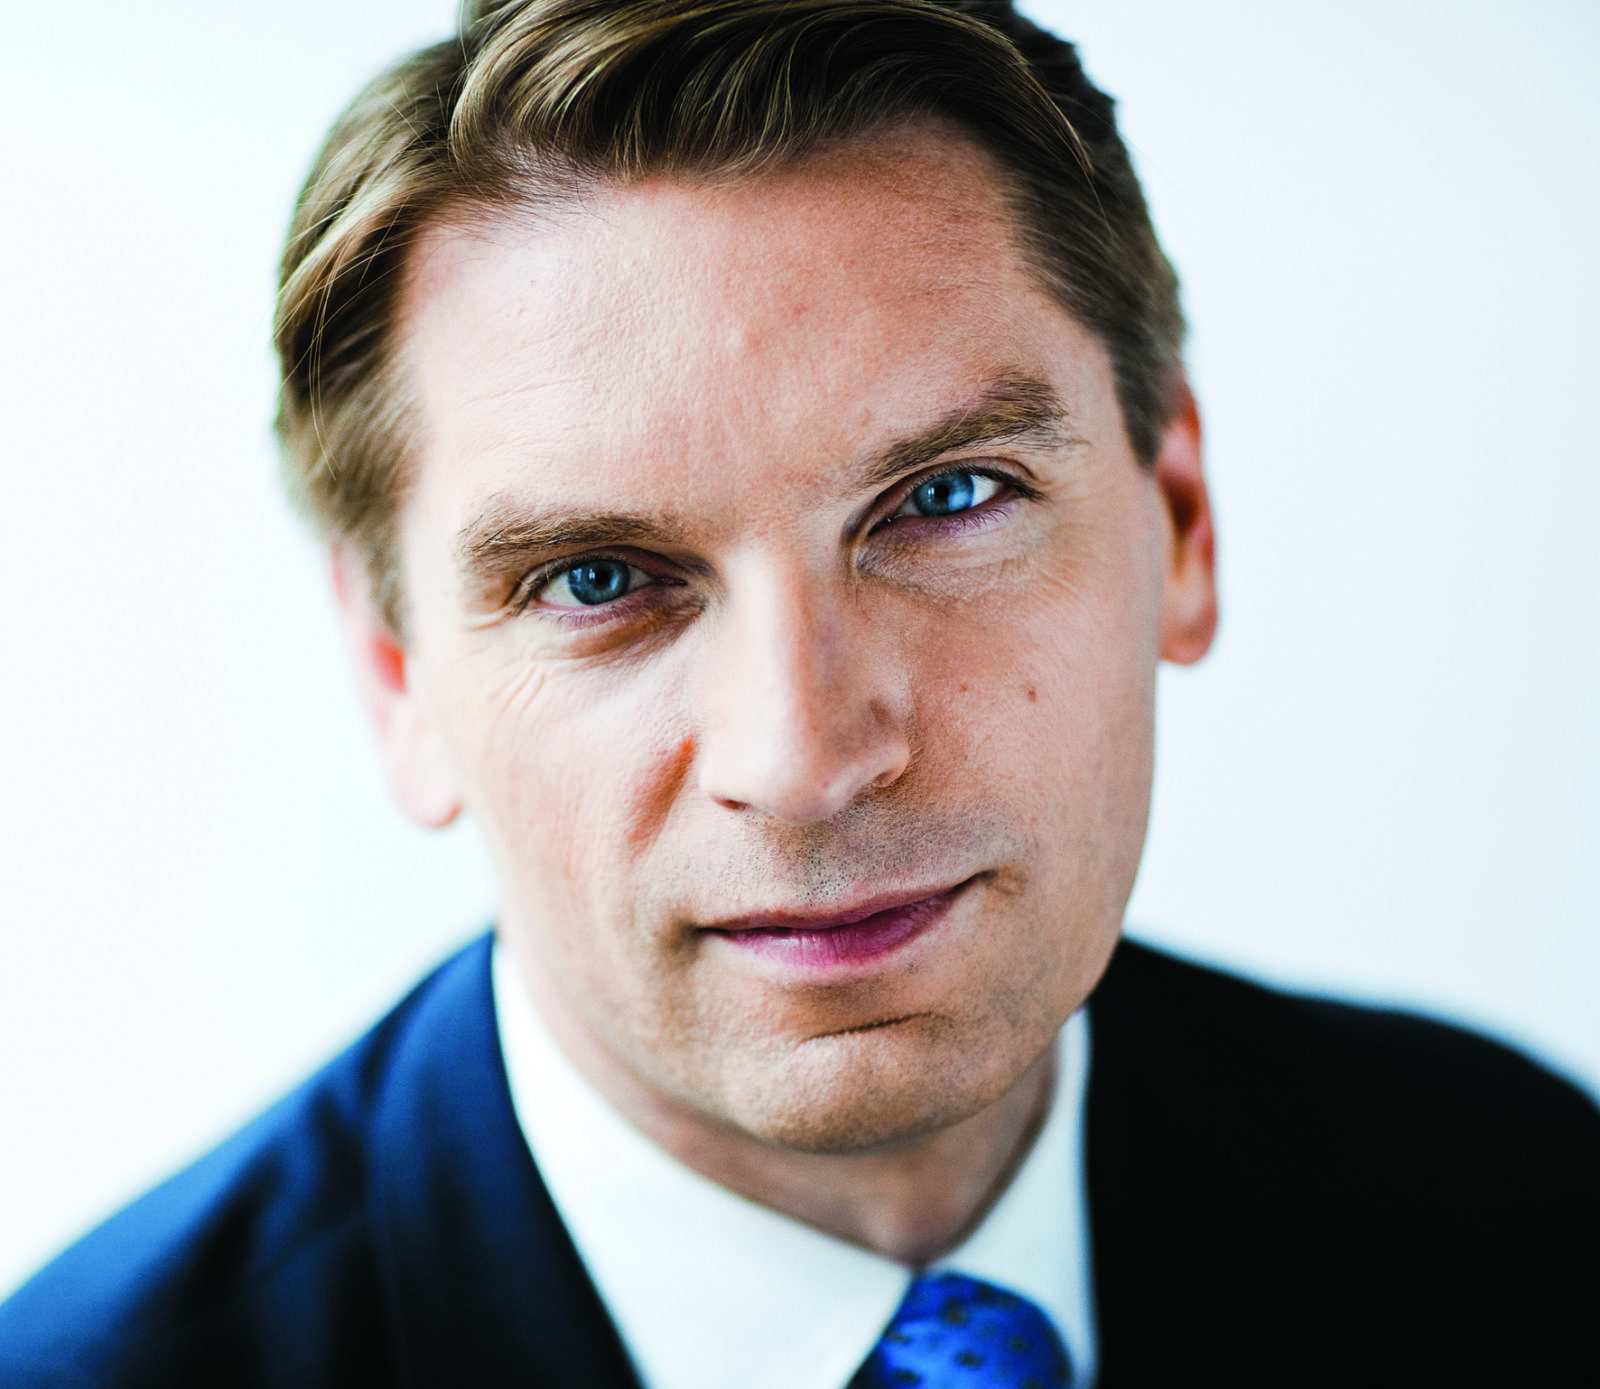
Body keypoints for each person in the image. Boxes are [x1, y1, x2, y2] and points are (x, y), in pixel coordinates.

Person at [2, 1, 1595, 1385]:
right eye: (597, 580)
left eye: (947, 500)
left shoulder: (1518, 1211)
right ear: (396, 671)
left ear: (1180, 524)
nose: (806, 755)